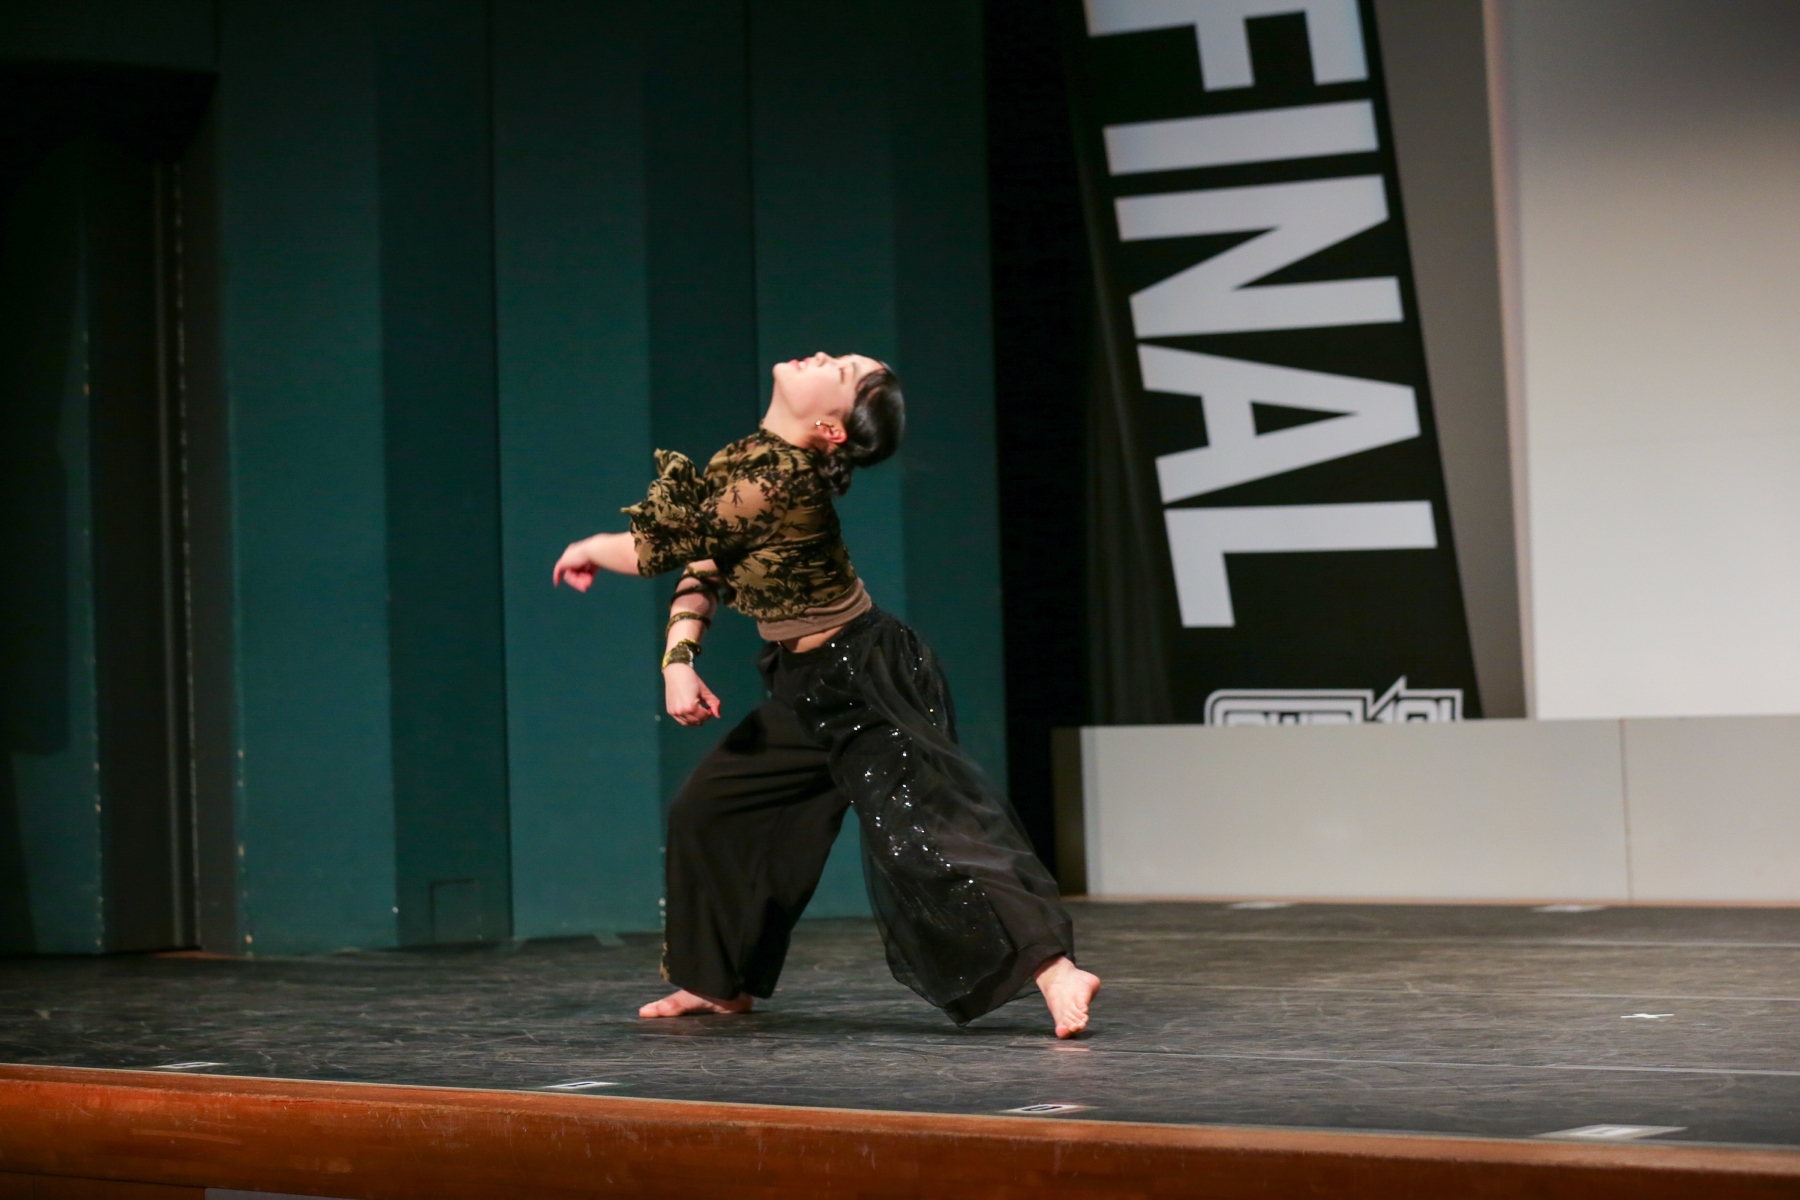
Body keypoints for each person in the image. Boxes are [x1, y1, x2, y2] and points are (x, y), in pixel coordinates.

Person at [552, 351, 1100, 1038]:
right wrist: (678, 659)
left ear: (829, 429)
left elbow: (653, 549)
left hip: (867, 677)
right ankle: (720, 984)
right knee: (710, 809)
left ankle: (1054, 969)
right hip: (805, 684)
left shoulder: (780, 480)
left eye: (839, 370)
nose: (822, 357)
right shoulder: (747, 458)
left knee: (924, 830)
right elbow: (705, 564)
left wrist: (589, 546)